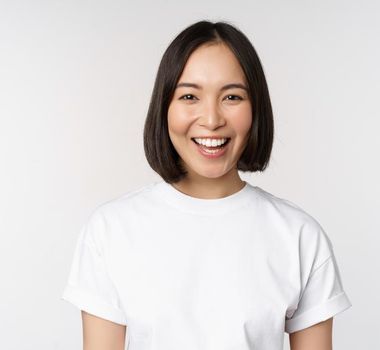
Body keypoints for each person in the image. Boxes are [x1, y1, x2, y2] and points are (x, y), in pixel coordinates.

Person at [60, 20, 352, 350]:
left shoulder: (299, 236)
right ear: (164, 109)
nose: (212, 119)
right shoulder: (111, 230)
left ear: (255, 109)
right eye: (189, 96)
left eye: (232, 96)